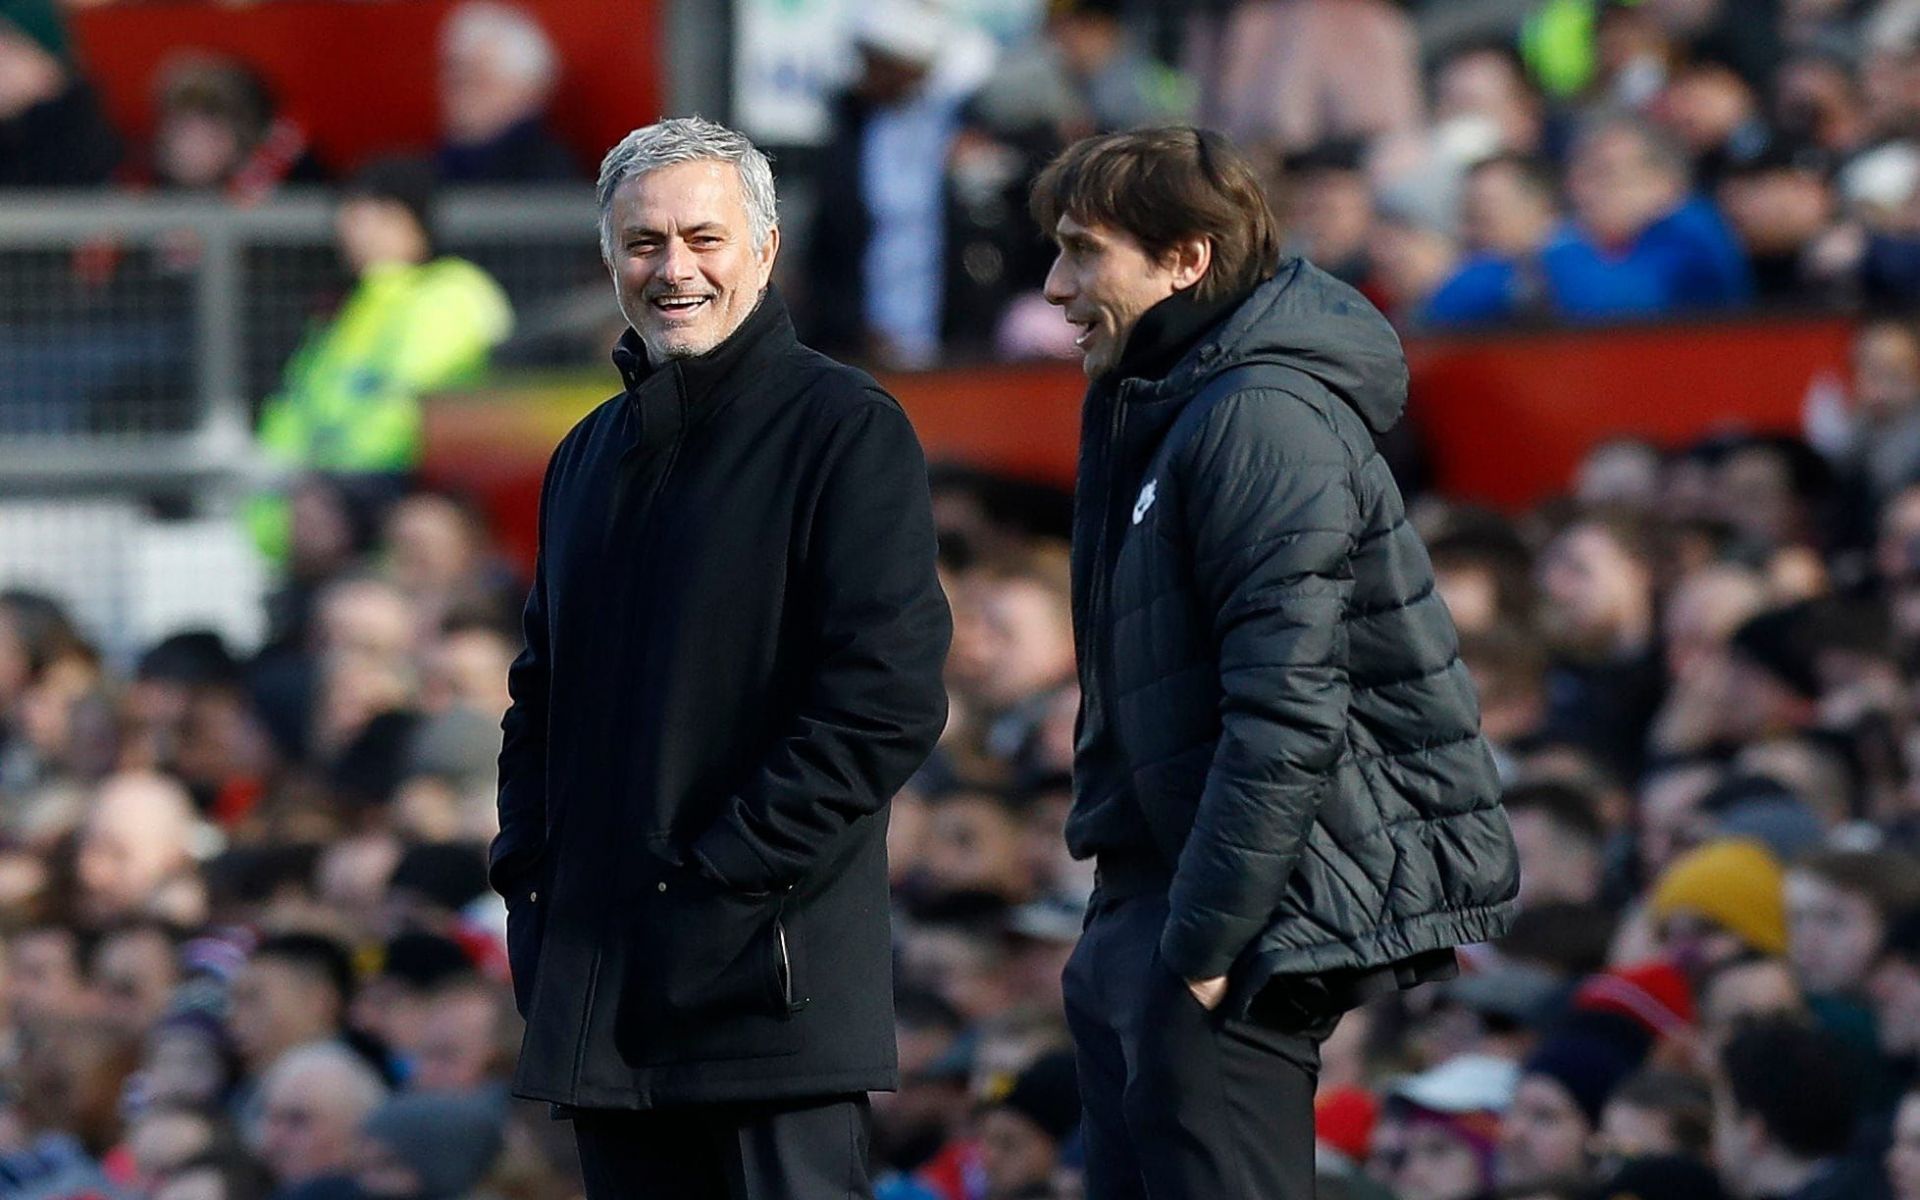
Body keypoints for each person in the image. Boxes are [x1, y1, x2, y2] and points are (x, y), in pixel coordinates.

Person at [1029, 126, 1519, 1200]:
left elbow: (1290, 710)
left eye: (1083, 252)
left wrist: (1204, 944)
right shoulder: (1167, 403)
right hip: (1147, 907)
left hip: (1223, 928)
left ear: (1187, 259)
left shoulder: (1259, 418)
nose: (1057, 288)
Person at [490, 117, 951, 1199]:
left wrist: (718, 882)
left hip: (769, 995)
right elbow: (538, 697)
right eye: (643, 244)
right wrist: (530, 878)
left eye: (704, 237)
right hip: (609, 1003)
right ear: (608, 261)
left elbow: (883, 701)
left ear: (766, 250)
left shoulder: (846, 427)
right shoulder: (588, 456)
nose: (674, 268)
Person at [248, 158, 514, 565]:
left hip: (410, 489)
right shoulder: (342, 312)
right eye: (351, 218)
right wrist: (283, 501)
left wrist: (331, 486)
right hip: (326, 500)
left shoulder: (451, 292)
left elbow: (415, 410)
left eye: (375, 216)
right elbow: (291, 416)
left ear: (411, 220)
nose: (356, 232)